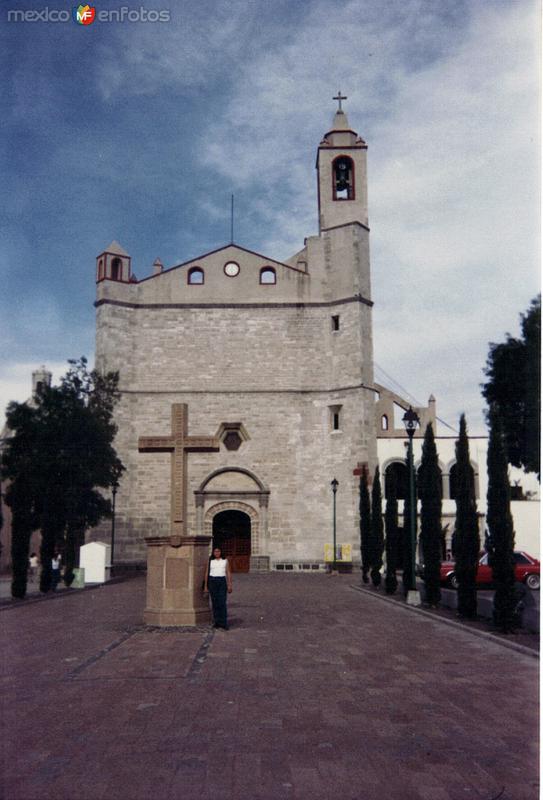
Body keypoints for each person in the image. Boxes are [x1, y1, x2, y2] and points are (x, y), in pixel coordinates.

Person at [203, 546, 232, 630]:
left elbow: (228, 572)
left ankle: (224, 622)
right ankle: (217, 622)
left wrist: (229, 584)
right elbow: (206, 573)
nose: (217, 553)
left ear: (221, 552)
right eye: (215, 551)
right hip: (212, 581)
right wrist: (205, 586)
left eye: (218, 551)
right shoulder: (210, 561)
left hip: (222, 581)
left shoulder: (225, 561)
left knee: (222, 602)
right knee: (215, 602)